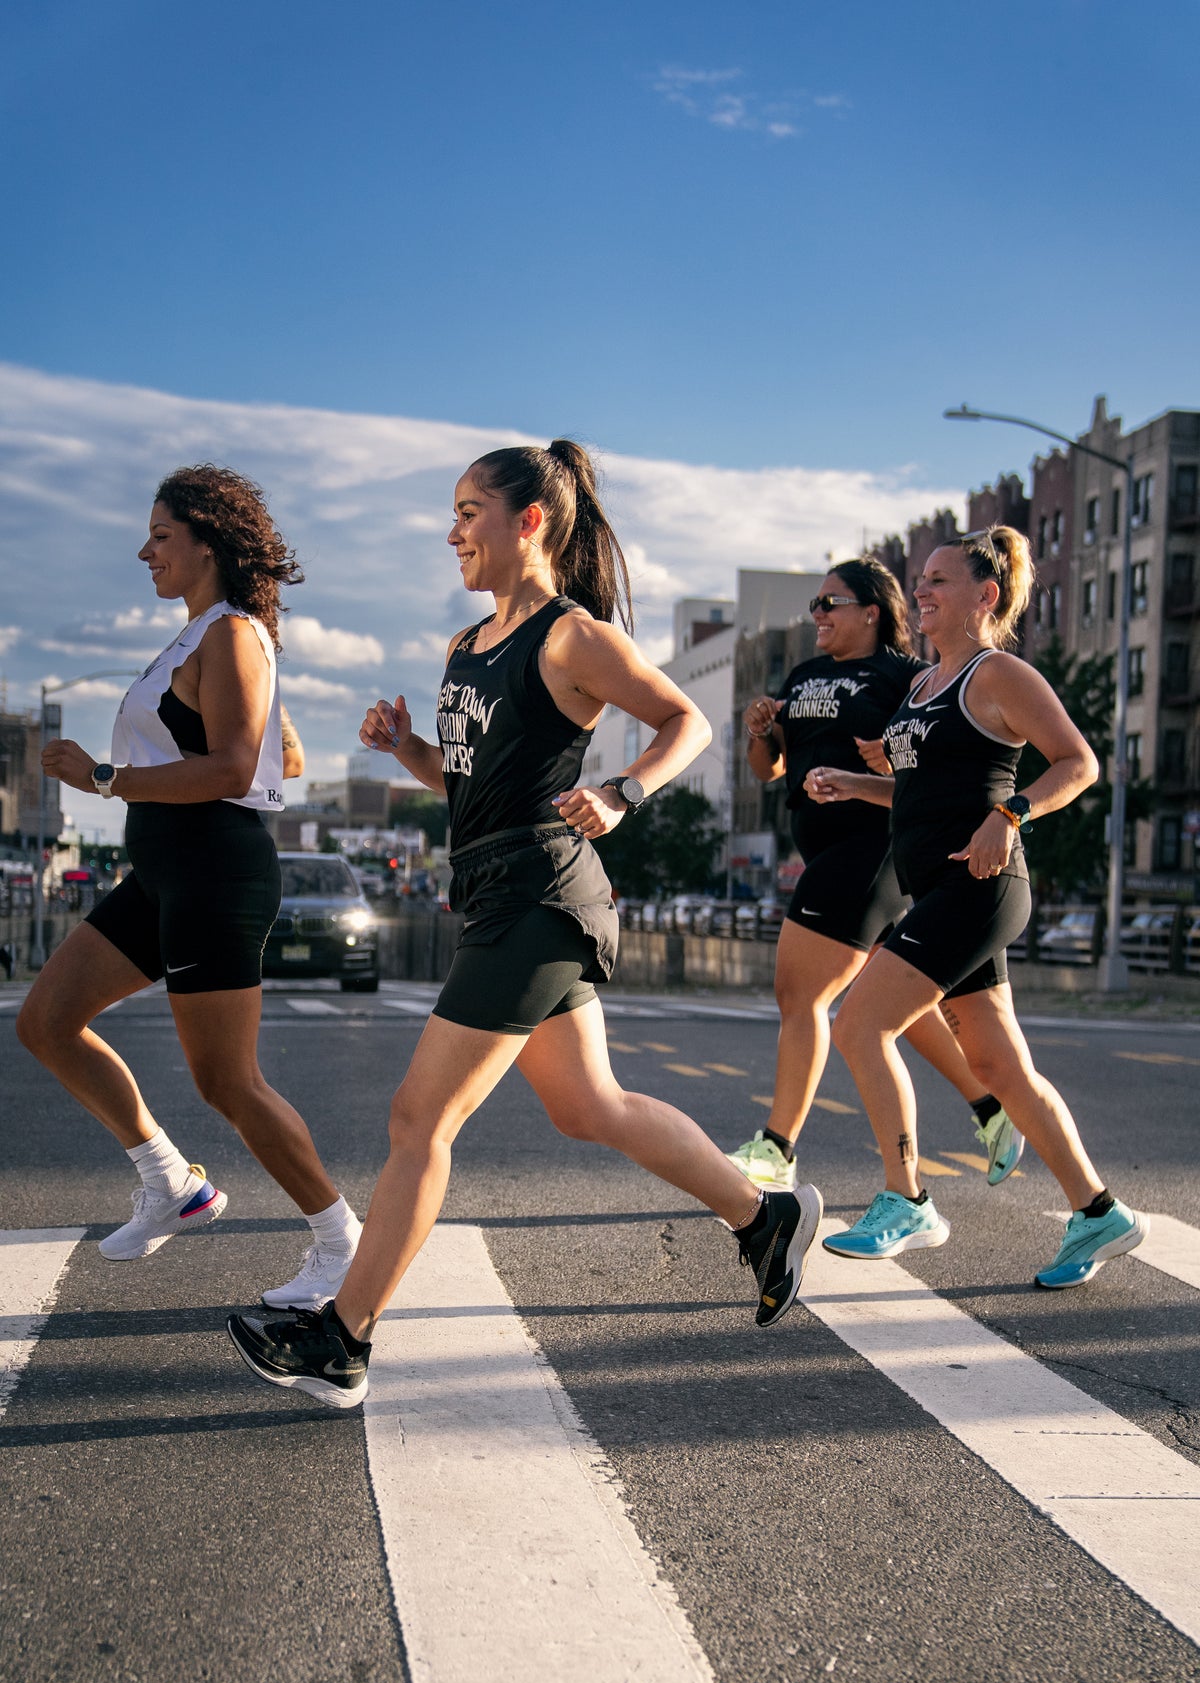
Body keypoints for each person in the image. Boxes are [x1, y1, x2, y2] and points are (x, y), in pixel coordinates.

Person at [227, 439, 823, 1407]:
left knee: (420, 1117)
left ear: (529, 521)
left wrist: (625, 791)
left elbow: (688, 722)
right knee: (590, 1106)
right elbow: (469, 786)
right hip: (495, 893)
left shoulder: (569, 637)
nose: (453, 531)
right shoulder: (466, 648)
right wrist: (406, 745)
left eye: (469, 512)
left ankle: (345, 1337)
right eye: (454, 513)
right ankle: (762, 1218)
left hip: (545, 898)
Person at [17, 465, 360, 1308]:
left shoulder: (233, 634)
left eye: (160, 536)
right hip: (165, 870)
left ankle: (343, 1241)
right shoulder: (203, 635)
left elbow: (237, 766)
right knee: (47, 1021)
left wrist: (104, 778)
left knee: (227, 1082)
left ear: (207, 540)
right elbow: (283, 756)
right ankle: (170, 1182)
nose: (145, 552)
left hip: (214, 870)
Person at [802, 527, 1146, 1288]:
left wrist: (1011, 814)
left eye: (939, 582)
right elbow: (928, 795)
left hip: (981, 885)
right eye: (920, 580)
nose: (920, 592)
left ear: (984, 596)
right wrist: (855, 784)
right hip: (944, 884)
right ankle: (1099, 1212)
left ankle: (907, 1198)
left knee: (861, 1022)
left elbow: (1078, 762)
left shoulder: (998, 675)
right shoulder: (925, 684)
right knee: (999, 1065)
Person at [727, 557, 1024, 1195]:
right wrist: (760, 732)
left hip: (873, 851)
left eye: (830, 603)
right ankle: (993, 1110)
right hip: (823, 848)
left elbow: (933, 763)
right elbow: (767, 770)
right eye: (814, 604)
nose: (817, 615)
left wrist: (882, 763)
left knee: (799, 992)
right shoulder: (803, 675)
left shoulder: (907, 677)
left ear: (871, 611)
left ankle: (778, 1147)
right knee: (899, 1008)